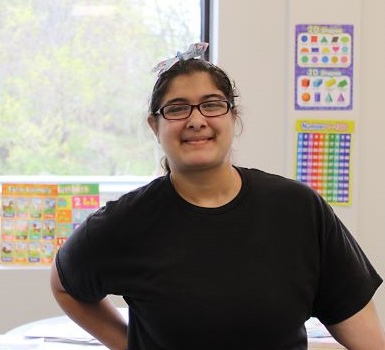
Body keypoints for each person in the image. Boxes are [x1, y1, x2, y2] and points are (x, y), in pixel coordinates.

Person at [50, 43, 385, 349]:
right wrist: (128, 343)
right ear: (155, 126)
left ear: (233, 116)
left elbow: (359, 323)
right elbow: (65, 284)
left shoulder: (298, 209)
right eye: (177, 109)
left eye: (212, 105)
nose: (196, 120)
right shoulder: (127, 222)